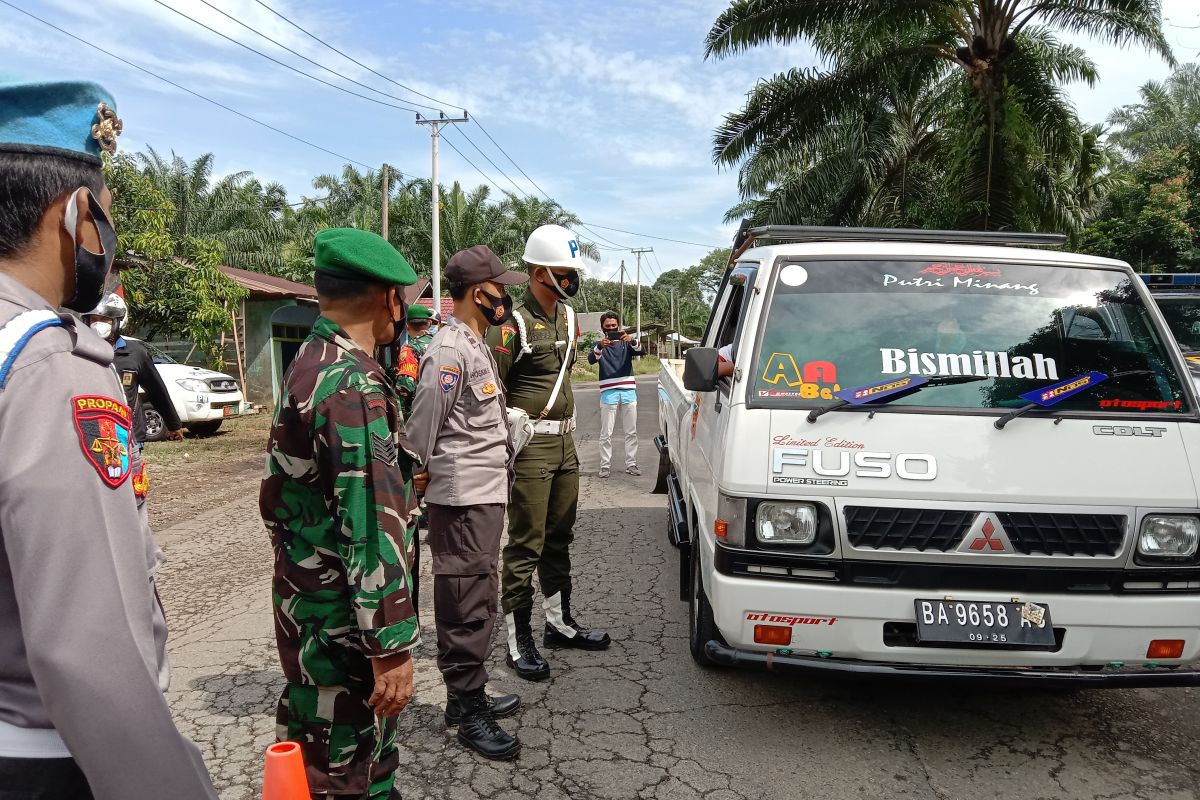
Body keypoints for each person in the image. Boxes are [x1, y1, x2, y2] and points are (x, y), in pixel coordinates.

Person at [0, 80, 216, 799]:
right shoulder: (52, 370)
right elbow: (90, 652)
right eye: (107, 220)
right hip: (43, 758)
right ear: (76, 215)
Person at [260, 228, 421, 799]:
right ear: (387, 298)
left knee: (337, 764)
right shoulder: (350, 384)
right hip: (345, 626)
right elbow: (368, 523)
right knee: (345, 776)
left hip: (313, 605)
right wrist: (391, 646)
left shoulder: (311, 360)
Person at [409, 245, 527, 760]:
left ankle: (468, 696)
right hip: (460, 500)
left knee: (479, 593)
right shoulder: (449, 349)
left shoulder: (474, 344)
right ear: (480, 292)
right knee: (464, 601)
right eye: (500, 287)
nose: (505, 296)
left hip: (482, 494)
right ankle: (467, 709)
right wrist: (415, 477)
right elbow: (422, 429)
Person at [486, 224, 611, 682]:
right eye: (564, 271)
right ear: (540, 273)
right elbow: (489, 389)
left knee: (560, 535)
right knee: (526, 543)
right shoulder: (511, 325)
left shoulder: (572, 318)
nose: (572, 278)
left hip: (566, 443)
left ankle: (560, 623)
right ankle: (518, 639)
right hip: (532, 445)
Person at [84, 292, 186, 444]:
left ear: (118, 321)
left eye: (105, 319)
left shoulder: (136, 352)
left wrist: (173, 424)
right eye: (94, 319)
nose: (98, 324)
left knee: (131, 468)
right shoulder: (80, 352)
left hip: (130, 434)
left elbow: (156, 389)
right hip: (93, 432)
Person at [588, 311, 646, 478]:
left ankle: (631, 464)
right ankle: (605, 466)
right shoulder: (599, 345)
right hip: (608, 392)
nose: (611, 329)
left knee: (631, 432)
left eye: (614, 326)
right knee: (606, 433)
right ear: (602, 328)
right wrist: (600, 346)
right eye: (608, 327)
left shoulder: (626, 343)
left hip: (628, 391)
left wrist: (632, 340)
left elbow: (642, 351)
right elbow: (592, 359)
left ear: (619, 326)